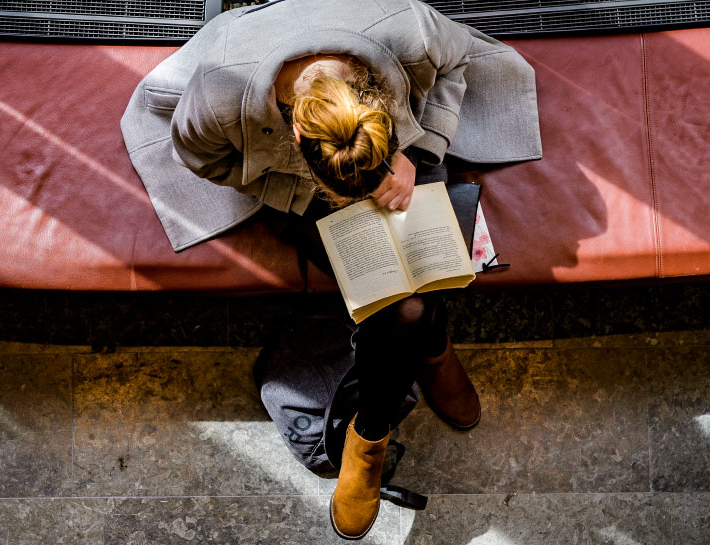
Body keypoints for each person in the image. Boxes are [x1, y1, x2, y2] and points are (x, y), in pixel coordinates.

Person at [121, 0, 541, 539]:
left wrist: (416, 152)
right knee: (407, 303)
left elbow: (457, 66)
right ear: (297, 139)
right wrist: (292, 189)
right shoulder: (222, 94)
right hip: (296, 192)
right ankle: (405, 388)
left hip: (394, 159)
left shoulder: (410, 31)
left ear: (381, 112)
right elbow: (202, 158)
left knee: (421, 281)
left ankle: (387, 409)